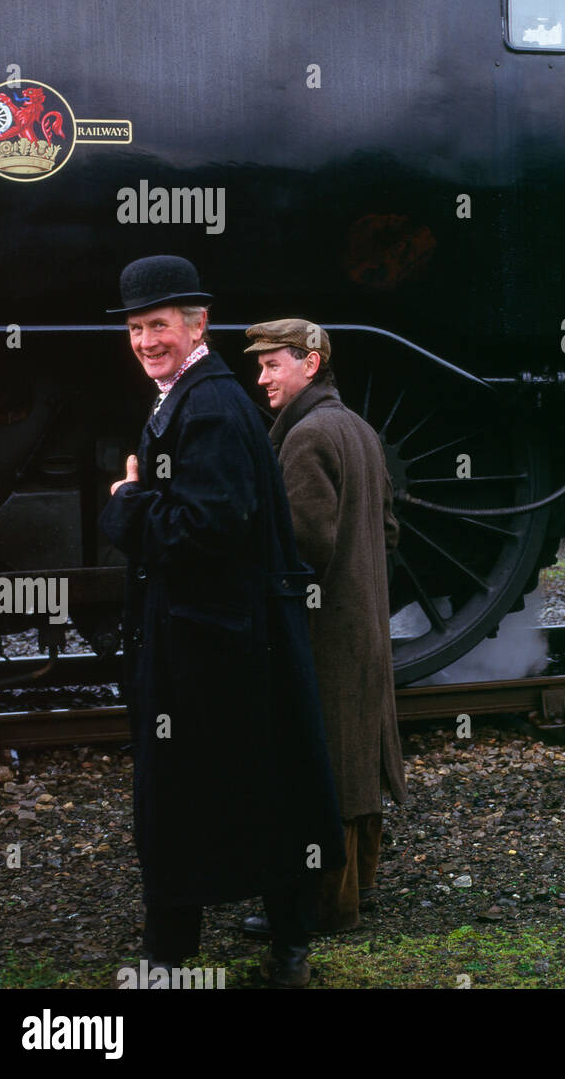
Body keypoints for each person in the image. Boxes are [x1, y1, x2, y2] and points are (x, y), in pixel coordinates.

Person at [100, 256, 344, 987]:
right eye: (138, 328)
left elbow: (206, 527)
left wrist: (126, 503)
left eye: (160, 325)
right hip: (220, 637)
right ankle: (280, 942)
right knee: (259, 786)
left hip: (212, 643)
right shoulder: (197, 395)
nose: (147, 340)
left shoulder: (206, 404)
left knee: (189, 793)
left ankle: (174, 952)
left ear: (197, 324)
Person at [239, 318, 406, 937]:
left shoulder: (306, 438)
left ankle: (327, 908)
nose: (261, 379)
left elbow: (305, 546)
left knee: (325, 765)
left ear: (309, 364)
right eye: (259, 367)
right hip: (362, 623)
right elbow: (387, 532)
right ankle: (359, 886)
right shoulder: (358, 429)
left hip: (323, 631)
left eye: (272, 364)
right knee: (358, 757)